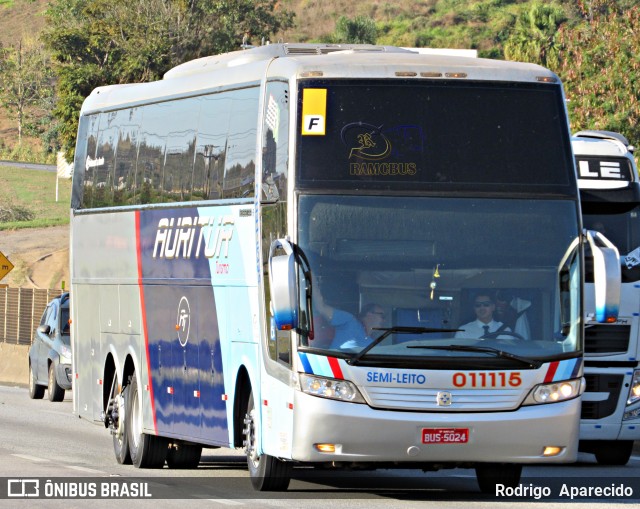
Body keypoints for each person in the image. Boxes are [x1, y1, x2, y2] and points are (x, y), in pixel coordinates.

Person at [313, 282, 384, 349]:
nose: (384, 320)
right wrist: (311, 277)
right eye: (382, 316)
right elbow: (321, 307)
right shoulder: (349, 321)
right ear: (369, 314)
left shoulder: (376, 345)